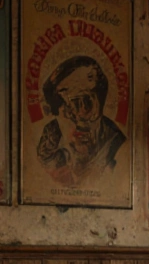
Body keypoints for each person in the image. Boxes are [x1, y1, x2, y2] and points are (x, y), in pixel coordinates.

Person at [37, 55, 126, 183]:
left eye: (88, 101)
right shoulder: (50, 144)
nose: (82, 115)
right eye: (73, 104)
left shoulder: (117, 147)